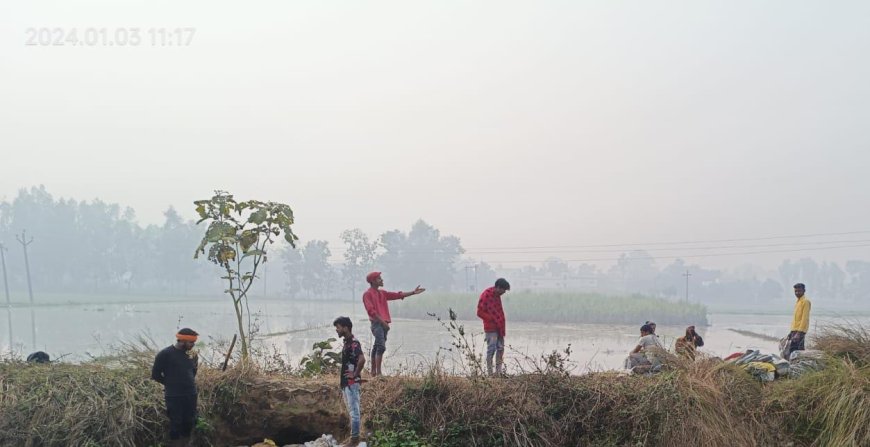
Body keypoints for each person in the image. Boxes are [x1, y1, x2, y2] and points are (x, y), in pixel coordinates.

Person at [362, 272, 425, 376]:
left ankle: (373, 372)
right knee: (381, 346)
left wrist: (413, 292)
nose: (382, 280)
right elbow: (371, 311)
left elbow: (397, 295)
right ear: (372, 281)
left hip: (384, 324)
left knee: (377, 346)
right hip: (377, 324)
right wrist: (383, 323)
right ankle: (378, 373)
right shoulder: (367, 294)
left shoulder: (382, 293)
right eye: (379, 279)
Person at [151, 328, 199, 447]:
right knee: (176, 423)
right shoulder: (165, 354)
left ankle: (186, 445)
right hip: (174, 396)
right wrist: (170, 384)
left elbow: (192, 374)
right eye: (191, 342)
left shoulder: (190, 356)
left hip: (191, 394)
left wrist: (194, 364)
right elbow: (155, 375)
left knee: (189, 422)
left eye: (194, 343)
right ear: (182, 340)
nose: (193, 345)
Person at [334, 316, 365, 447]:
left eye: (338, 327)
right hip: (347, 383)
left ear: (346, 327)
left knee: (354, 413)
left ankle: (354, 441)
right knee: (352, 411)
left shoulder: (354, 342)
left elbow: (362, 359)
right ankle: (353, 438)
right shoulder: (347, 342)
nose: (336, 330)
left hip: (351, 383)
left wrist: (355, 374)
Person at [476, 278, 510, 376]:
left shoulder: (497, 296)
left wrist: (497, 320)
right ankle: (490, 373)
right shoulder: (486, 295)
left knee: (500, 349)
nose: (504, 292)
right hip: (491, 329)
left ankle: (498, 373)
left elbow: (498, 311)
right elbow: (479, 312)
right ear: (498, 288)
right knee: (491, 349)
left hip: (499, 327)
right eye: (503, 290)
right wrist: (491, 318)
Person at [788, 283, 811, 355]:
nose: (797, 293)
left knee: (797, 351)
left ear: (804, 291)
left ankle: (797, 365)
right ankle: (795, 365)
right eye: (795, 291)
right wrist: (791, 332)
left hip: (799, 331)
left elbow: (805, 318)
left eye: (799, 291)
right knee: (794, 350)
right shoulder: (798, 302)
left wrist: (798, 333)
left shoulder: (806, 302)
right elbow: (796, 318)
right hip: (794, 330)